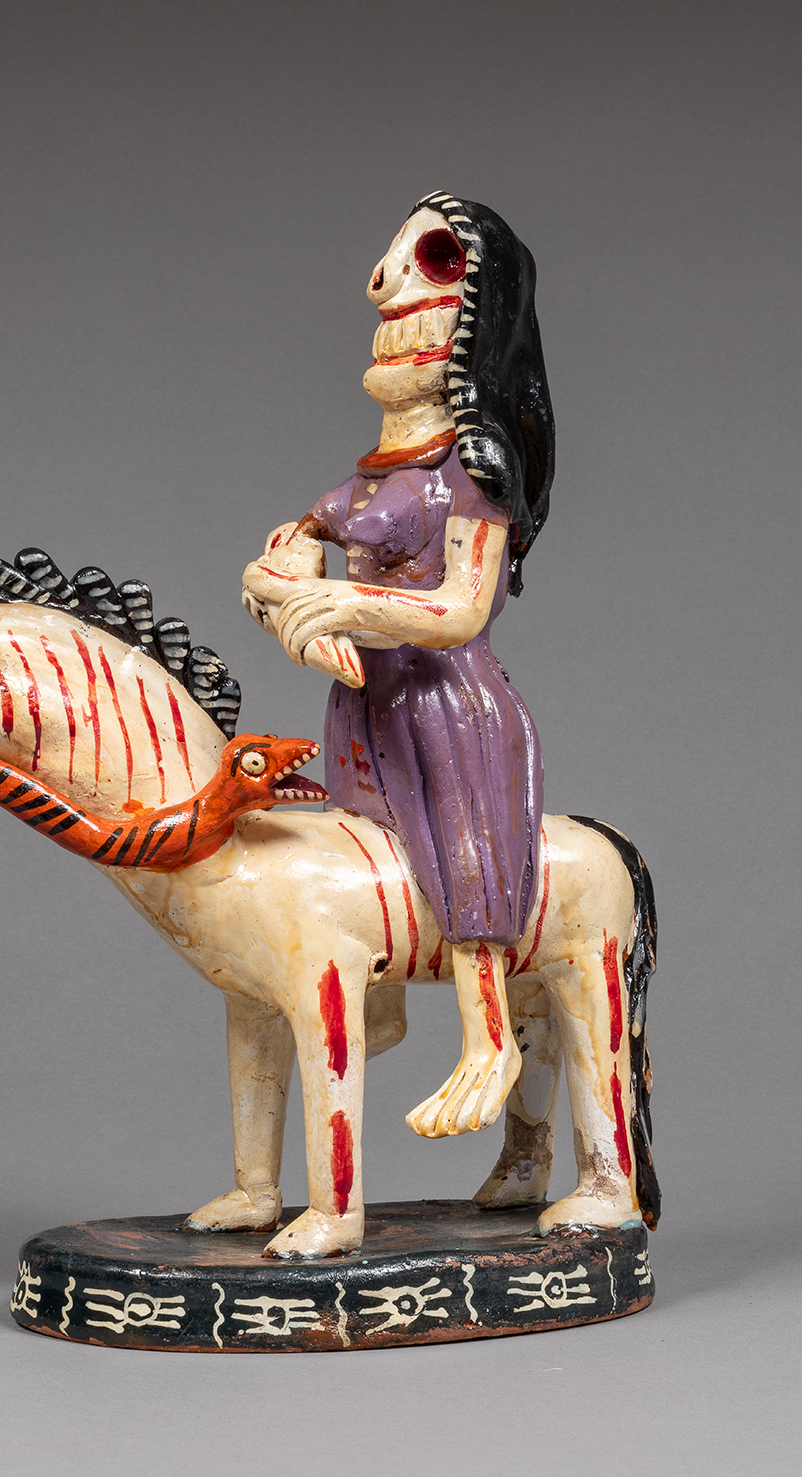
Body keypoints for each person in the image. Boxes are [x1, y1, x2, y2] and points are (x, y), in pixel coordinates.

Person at [242, 191, 554, 1138]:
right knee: (353, 862)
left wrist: (348, 604)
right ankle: (376, 1007)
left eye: (431, 261)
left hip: (447, 706)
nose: (383, 280)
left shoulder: (472, 469)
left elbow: (461, 609)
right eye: (391, 259)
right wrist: (286, 593)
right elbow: (285, 549)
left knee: (462, 851)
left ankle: (490, 1037)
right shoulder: (376, 472)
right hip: (365, 710)